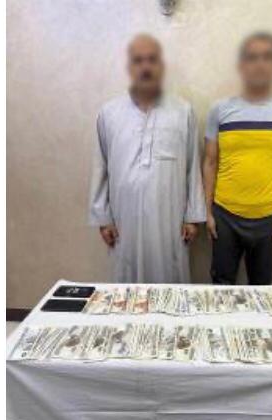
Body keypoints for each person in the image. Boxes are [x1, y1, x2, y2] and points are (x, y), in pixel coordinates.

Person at [88, 34, 205, 283]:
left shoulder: (182, 111)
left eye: (152, 60)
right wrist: (103, 218)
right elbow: (101, 167)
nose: (145, 67)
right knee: (127, 287)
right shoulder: (109, 113)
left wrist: (193, 217)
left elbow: (193, 166)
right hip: (124, 222)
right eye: (138, 60)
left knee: (170, 283)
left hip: (170, 222)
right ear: (130, 67)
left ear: (161, 66)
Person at [203, 32, 272, 285]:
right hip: (225, 215)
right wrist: (207, 212)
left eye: (267, 57)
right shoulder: (220, 110)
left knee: (263, 288)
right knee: (221, 287)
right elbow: (210, 162)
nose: (260, 64)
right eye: (252, 57)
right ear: (242, 65)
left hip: (269, 218)